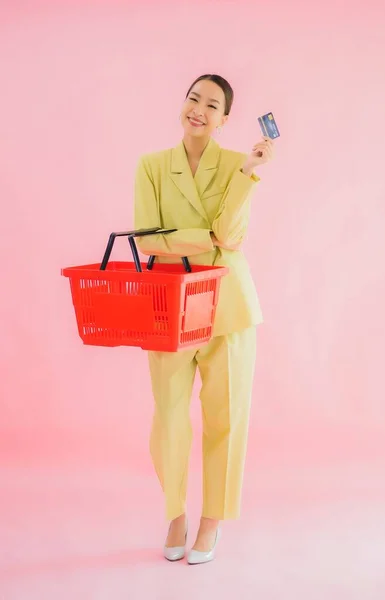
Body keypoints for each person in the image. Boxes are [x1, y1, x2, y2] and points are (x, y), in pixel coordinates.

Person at [133, 74, 274, 564]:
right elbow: (146, 241)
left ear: (224, 119)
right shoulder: (152, 167)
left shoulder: (239, 166)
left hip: (229, 305)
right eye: (194, 98)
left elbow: (231, 238)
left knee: (226, 419)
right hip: (169, 305)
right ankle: (176, 512)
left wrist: (251, 173)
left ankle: (211, 520)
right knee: (169, 416)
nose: (198, 109)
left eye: (211, 105)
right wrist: (205, 238)